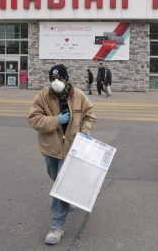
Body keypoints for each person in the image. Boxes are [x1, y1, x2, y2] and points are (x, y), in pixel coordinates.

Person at [27, 64, 96, 245]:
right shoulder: (43, 96)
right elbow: (33, 119)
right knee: (55, 176)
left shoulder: (79, 95)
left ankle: (57, 226)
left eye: (60, 79)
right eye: (52, 79)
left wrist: (86, 129)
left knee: (60, 186)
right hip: (51, 148)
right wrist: (55, 120)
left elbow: (89, 115)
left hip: (73, 148)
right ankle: (68, 196)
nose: (56, 83)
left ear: (67, 79)